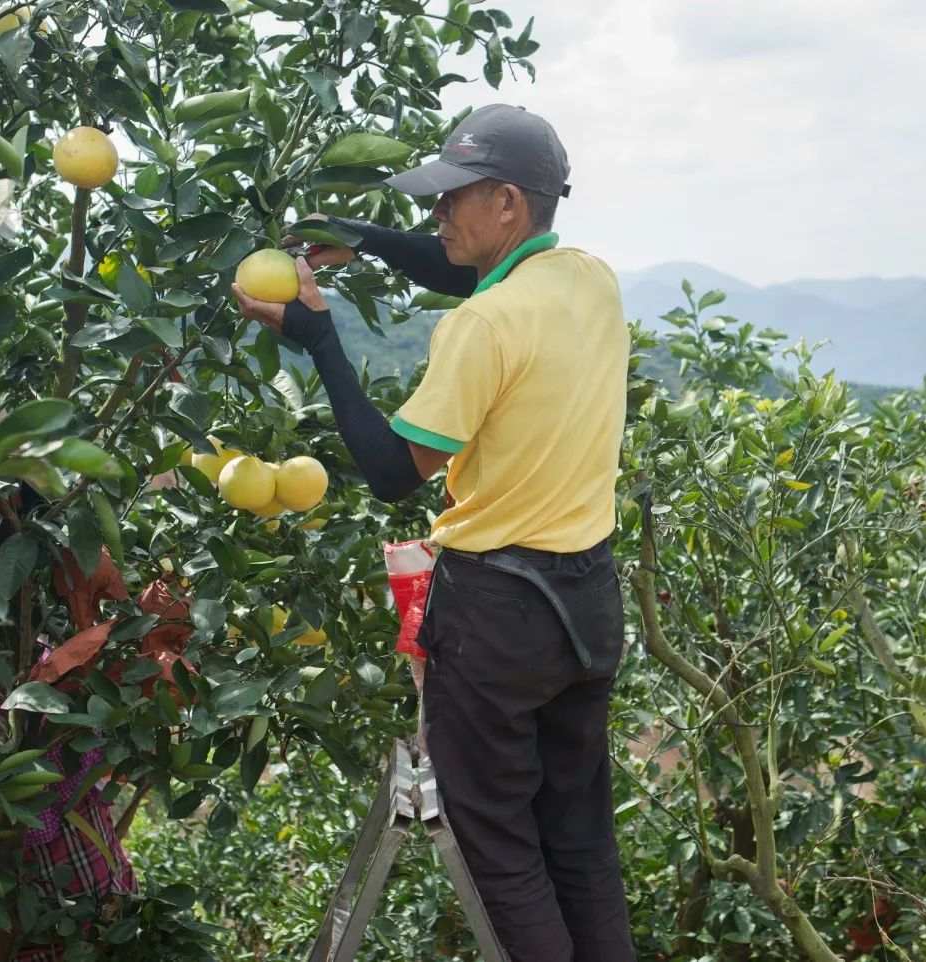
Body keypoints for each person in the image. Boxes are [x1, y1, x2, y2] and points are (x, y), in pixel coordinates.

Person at [233, 103, 636, 962]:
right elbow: (467, 273)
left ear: (507, 206)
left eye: (454, 199)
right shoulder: (588, 278)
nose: (437, 216)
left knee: (502, 851)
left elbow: (391, 472)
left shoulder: (482, 329)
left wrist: (320, 342)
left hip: (498, 617)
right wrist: (368, 238)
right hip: (588, 608)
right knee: (580, 842)